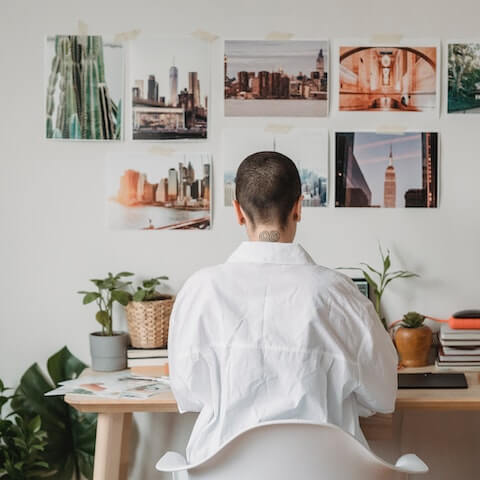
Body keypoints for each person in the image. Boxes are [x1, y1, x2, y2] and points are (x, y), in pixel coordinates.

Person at [169, 151, 398, 464]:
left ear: (237, 211)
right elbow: (384, 395)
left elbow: (188, 395)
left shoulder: (200, 290)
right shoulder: (339, 294)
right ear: (299, 208)